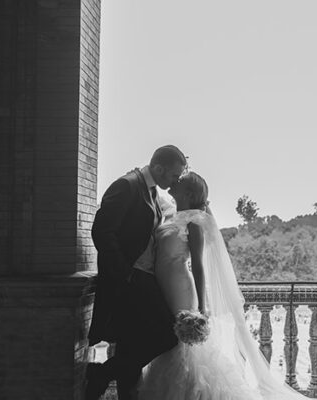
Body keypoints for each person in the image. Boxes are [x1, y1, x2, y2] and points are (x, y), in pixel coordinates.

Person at [138, 172, 317, 400]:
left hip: (180, 286)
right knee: (169, 341)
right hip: (162, 285)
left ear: (188, 193)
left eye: (180, 181)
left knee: (182, 346)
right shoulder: (170, 215)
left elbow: (198, 264)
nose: (174, 182)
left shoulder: (194, 222)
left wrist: (202, 307)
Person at [85, 145, 188, 400]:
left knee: (131, 343)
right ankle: (102, 373)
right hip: (131, 279)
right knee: (168, 334)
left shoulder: (151, 191)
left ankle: (104, 374)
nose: (175, 181)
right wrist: (125, 273)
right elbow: (102, 230)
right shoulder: (127, 185)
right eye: (174, 175)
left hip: (141, 278)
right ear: (159, 167)